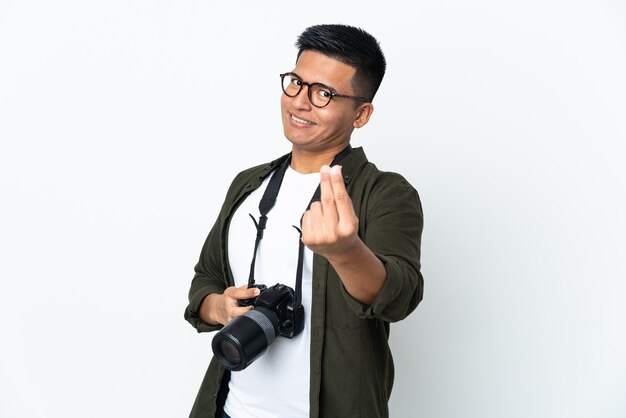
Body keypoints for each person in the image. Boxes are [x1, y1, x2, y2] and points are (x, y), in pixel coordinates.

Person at [184, 24, 424, 418]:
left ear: (361, 113)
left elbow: (400, 297)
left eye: (324, 93)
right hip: (228, 409)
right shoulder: (249, 184)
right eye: (296, 83)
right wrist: (221, 308)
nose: (300, 102)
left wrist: (345, 251)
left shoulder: (385, 193)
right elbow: (205, 279)